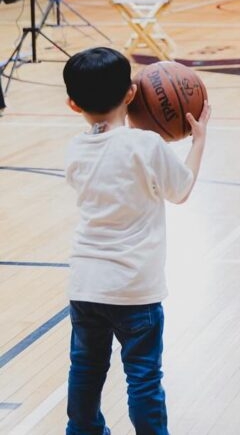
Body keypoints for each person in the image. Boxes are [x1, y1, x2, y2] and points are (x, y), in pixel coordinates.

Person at [63, 46, 210, 435]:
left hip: (85, 283)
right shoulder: (146, 144)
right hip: (135, 288)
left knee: (85, 367)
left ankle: (82, 430)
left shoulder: (75, 149)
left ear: (71, 103)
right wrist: (197, 141)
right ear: (131, 94)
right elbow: (181, 191)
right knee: (143, 376)